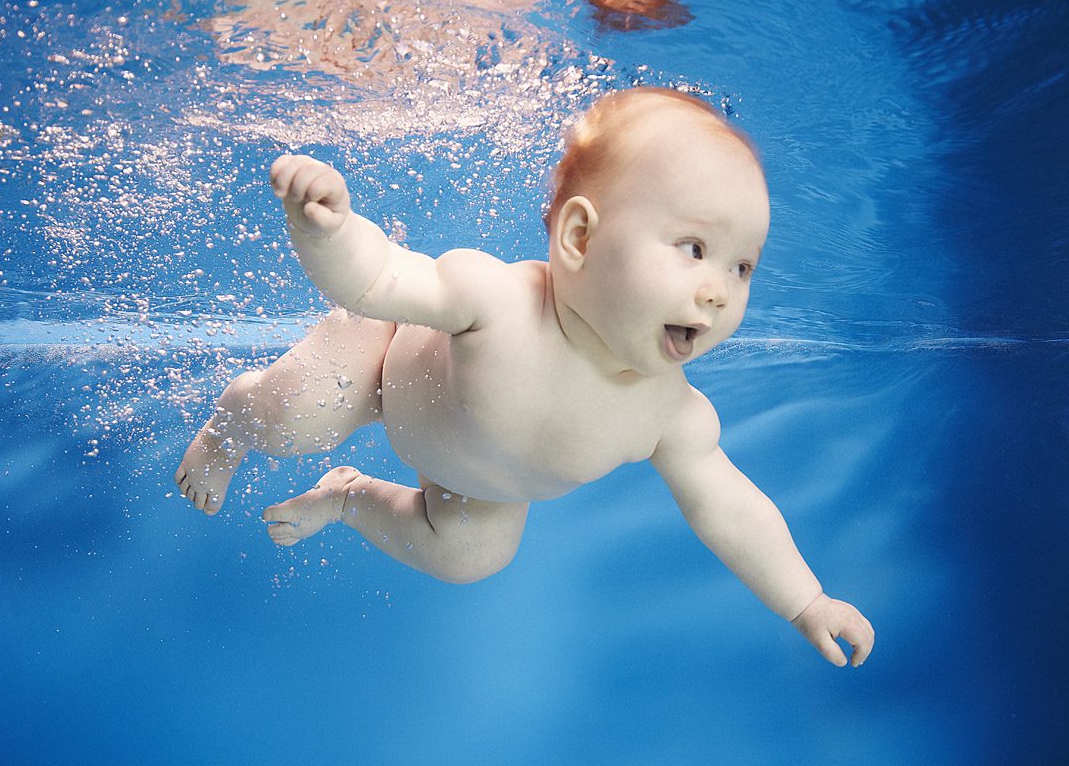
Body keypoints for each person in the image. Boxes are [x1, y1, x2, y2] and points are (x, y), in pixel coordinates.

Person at [175, 87, 875, 667]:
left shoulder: (673, 414)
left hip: (470, 483)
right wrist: (328, 230)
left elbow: (730, 507)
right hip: (380, 366)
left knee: (474, 554)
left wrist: (806, 600)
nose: (720, 290)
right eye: (694, 249)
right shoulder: (497, 300)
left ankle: (348, 501)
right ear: (579, 239)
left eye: (741, 266)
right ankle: (229, 425)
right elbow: (381, 275)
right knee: (298, 421)